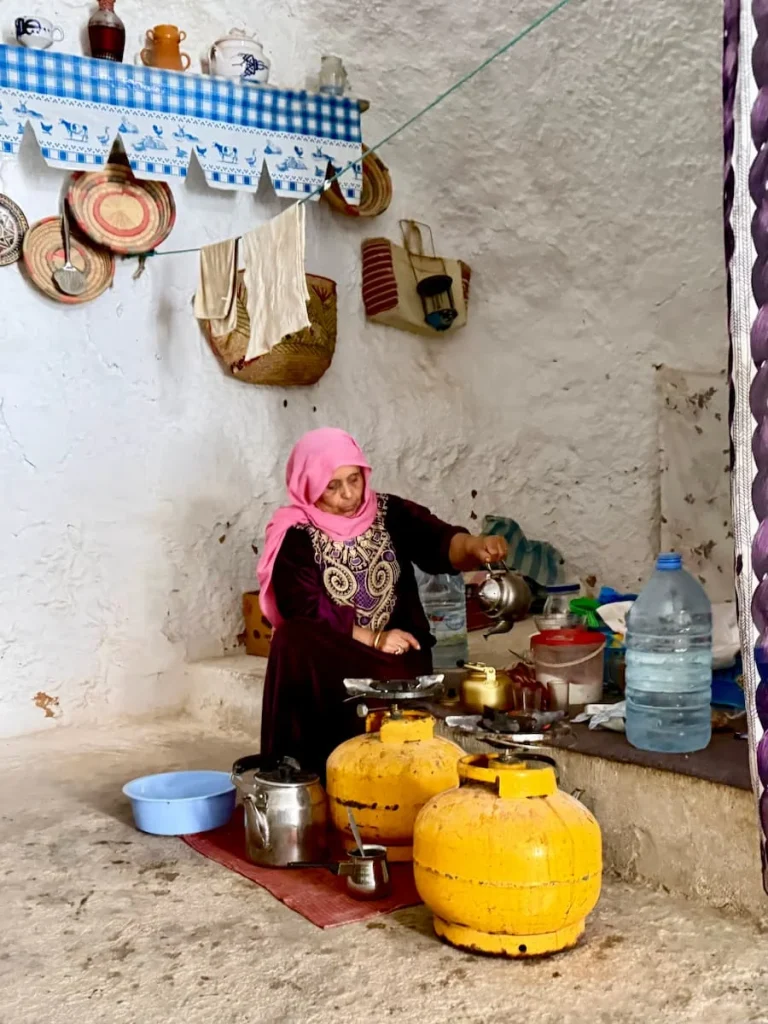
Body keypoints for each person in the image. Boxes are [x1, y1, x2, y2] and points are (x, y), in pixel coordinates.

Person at [256, 428, 508, 776]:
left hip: (395, 657)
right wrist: (373, 637)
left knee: (394, 680)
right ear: (309, 486)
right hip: (339, 652)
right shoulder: (296, 533)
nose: (348, 494)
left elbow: (436, 540)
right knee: (292, 639)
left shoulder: (388, 512)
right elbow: (303, 607)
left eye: (354, 480)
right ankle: (301, 774)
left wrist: (474, 546)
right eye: (333, 486)